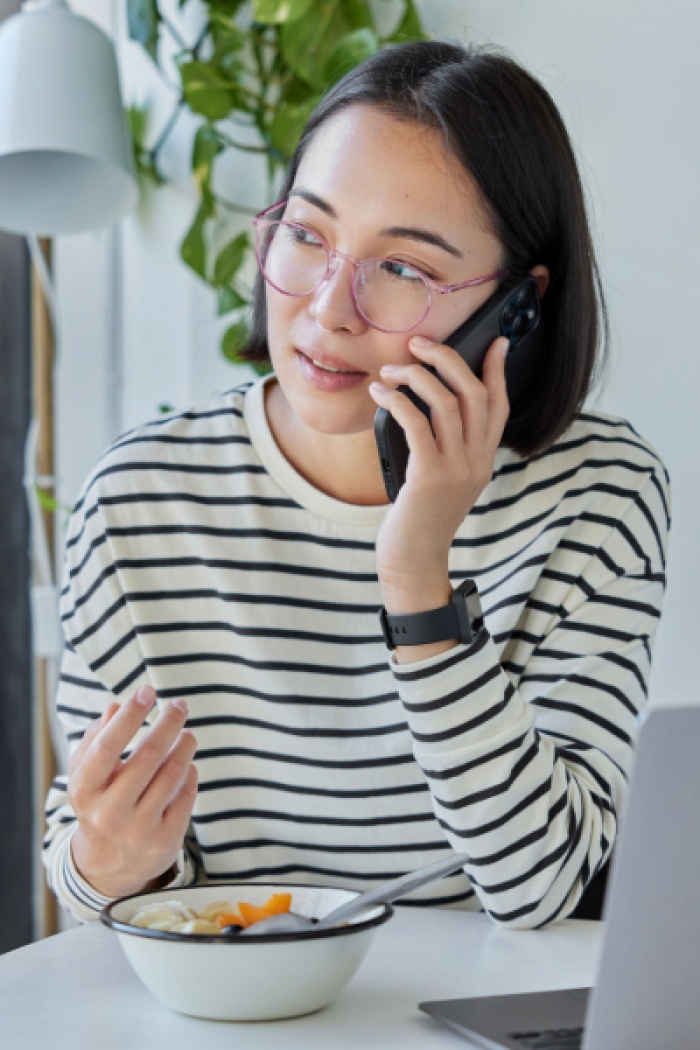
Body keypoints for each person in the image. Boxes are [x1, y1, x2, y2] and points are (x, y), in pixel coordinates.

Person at [44, 40, 670, 929]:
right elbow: (103, 877)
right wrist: (106, 860)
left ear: (517, 306)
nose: (330, 309)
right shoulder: (139, 502)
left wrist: (418, 577)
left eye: (403, 268)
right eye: (307, 235)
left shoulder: (597, 497)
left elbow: (543, 890)